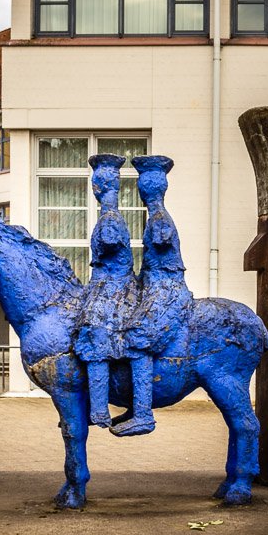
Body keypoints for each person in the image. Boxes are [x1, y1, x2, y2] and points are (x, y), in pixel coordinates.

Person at [113, 155, 193, 437]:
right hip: (152, 286)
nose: (144, 192)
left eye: (147, 187)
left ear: (157, 190)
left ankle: (143, 414)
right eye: (143, 186)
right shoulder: (155, 217)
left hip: (166, 290)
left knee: (137, 338)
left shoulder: (159, 217)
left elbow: (160, 242)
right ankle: (136, 404)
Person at [74, 154, 140, 428]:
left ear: (100, 188)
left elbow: (110, 245)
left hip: (115, 290)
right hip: (108, 286)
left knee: (95, 337)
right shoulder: (109, 217)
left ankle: (99, 410)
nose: (96, 188)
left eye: (98, 184)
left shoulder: (109, 220)